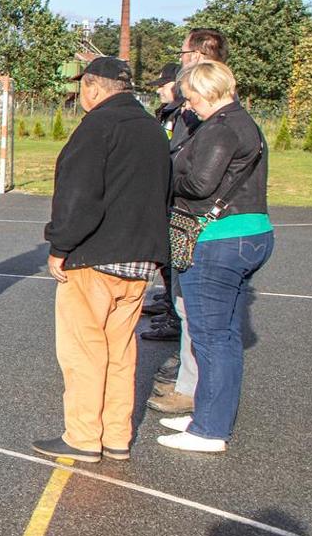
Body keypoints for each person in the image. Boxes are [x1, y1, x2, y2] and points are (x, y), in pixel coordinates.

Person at [32, 56, 169, 463]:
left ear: (92, 87)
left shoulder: (97, 126)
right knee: (120, 351)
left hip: (95, 257)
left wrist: (59, 246)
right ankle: (117, 435)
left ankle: (84, 436)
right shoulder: (153, 128)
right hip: (140, 259)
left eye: (82, 88)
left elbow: (78, 196)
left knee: (83, 350)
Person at [156, 60, 272, 454]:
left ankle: (209, 429)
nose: (188, 106)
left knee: (211, 338)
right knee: (224, 336)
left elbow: (200, 184)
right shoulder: (245, 123)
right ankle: (209, 415)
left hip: (217, 239)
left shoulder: (221, 128)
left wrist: (167, 175)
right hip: (251, 232)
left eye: (191, 99)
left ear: (208, 93)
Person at [147, 28, 232, 411]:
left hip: (202, 225)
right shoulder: (198, 112)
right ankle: (189, 380)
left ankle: (197, 394)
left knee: (200, 313)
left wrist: (164, 180)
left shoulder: (219, 118)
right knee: (186, 306)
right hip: (187, 219)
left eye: (183, 54)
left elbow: (199, 178)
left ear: (197, 56)